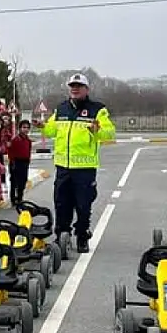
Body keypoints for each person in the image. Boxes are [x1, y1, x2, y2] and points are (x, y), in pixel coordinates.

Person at [41, 73, 116, 253]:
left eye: (78, 86)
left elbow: (109, 133)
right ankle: (61, 235)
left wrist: (97, 130)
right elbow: (52, 130)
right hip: (63, 167)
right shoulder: (62, 108)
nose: (74, 89)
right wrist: (42, 126)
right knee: (61, 203)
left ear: (86, 89)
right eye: (72, 86)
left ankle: (82, 236)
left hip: (84, 168)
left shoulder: (97, 109)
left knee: (83, 204)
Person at [7, 119, 33, 205]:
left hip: (24, 163)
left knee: (23, 181)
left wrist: (28, 161)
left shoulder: (28, 141)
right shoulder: (15, 140)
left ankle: (20, 198)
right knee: (14, 182)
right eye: (24, 127)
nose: (26, 129)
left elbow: (28, 151)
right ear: (19, 128)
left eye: (27, 128)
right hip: (15, 162)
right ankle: (13, 199)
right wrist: (12, 163)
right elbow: (10, 152)